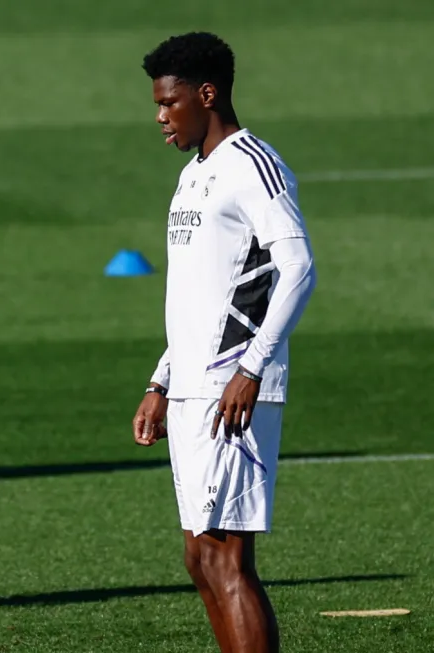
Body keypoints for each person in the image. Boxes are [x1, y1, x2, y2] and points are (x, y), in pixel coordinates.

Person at [132, 33, 317, 653]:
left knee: (228, 559)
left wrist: (253, 367)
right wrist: (161, 381)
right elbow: (196, 295)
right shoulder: (193, 176)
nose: (160, 116)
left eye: (169, 103)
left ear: (206, 95)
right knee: (199, 557)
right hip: (191, 389)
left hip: (231, 389)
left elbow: (298, 268)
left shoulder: (253, 166)